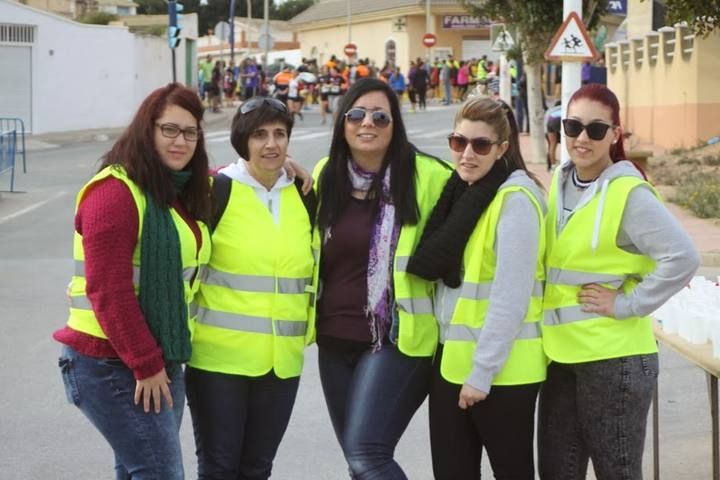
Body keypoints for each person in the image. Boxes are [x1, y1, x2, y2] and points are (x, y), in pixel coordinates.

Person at [538, 83, 700, 480]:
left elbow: (683, 258)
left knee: (618, 473)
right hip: (561, 356)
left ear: (615, 134)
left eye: (596, 129)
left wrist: (625, 304)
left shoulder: (628, 193)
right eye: (573, 126)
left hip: (615, 361)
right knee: (557, 471)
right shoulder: (560, 181)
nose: (581, 138)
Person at [55, 83, 213, 479]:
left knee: (136, 470)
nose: (181, 141)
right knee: (160, 473)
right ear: (147, 129)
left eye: (190, 132)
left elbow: (226, 176)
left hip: (162, 354)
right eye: (169, 130)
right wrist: (145, 365)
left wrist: (282, 168)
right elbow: (109, 290)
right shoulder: (114, 193)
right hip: (108, 360)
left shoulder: (171, 190)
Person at [312, 78, 452, 479]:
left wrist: (513, 179)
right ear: (343, 123)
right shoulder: (326, 175)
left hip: (396, 339)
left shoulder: (428, 175)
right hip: (334, 339)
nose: (366, 123)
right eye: (356, 114)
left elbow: (475, 202)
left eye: (380, 116)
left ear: (395, 125)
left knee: (366, 454)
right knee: (359, 462)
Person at [407, 97, 547, 479]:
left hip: (501, 373)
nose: (467, 154)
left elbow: (510, 298)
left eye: (480, 145)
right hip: (454, 365)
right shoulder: (463, 193)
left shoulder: (515, 200)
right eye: (458, 142)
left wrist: (481, 374)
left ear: (503, 148)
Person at [186, 96, 316, 479]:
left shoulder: (305, 196)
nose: (271, 144)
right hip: (217, 362)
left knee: (258, 469)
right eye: (259, 135)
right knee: (220, 467)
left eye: (279, 134)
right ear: (242, 141)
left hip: (281, 364)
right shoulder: (214, 191)